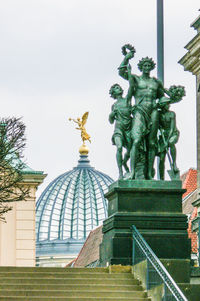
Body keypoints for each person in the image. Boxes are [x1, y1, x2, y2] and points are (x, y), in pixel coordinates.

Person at [119, 52, 165, 179]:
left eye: (149, 65)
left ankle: (149, 174)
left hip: (153, 111)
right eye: (144, 65)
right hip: (140, 110)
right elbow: (121, 72)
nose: (147, 67)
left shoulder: (156, 83)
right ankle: (133, 172)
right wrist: (127, 57)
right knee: (137, 140)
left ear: (151, 67)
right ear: (141, 67)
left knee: (151, 143)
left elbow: (163, 97)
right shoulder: (135, 79)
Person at [109, 82, 133, 179]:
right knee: (119, 147)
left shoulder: (127, 100)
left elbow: (131, 87)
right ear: (113, 93)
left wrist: (129, 72)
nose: (119, 89)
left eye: (119, 87)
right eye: (116, 88)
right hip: (119, 128)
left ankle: (125, 164)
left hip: (128, 127)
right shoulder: (114, 105)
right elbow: (111, 121)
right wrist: (111, 115)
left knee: (131, 150)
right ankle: (120, 172)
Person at [158, 103, 179, 180]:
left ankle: (174, 163)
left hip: (173, 133)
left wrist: (167, 141)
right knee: (161, 157)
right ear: (163, 106)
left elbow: (172, 128)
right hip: (164, 135)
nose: (169, 105)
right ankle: (161, 178)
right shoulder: (159, 114)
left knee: (171, 142)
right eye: (167, 104)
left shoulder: (172, 114)